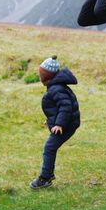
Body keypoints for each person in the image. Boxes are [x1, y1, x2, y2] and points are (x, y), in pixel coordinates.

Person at [30, 56, 81, 189]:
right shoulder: (56, 86)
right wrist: (51, 120)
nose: (40, 77)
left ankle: (45, 178)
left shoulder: (56, 89)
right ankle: (47, 176)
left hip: (66, 126)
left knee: (49, 148)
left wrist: (59, 124)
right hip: (67, 123)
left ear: (47, 76)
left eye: (41, 74)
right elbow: (58, 107)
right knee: (50, 148)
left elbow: (65, 107)